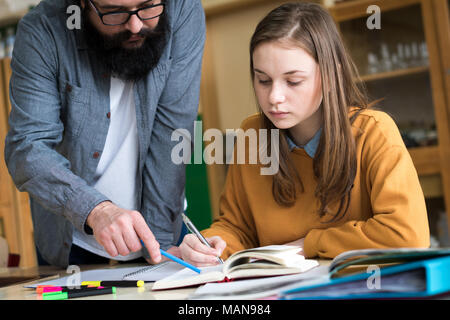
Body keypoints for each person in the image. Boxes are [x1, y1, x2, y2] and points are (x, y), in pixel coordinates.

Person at [179, 2, 430, 266]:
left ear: (332, 76)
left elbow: (407, 235)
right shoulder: (251, 136)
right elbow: (236, 228)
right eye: (263, 80)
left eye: (293, 81)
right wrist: (211, 243)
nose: (274, 97)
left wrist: (309, 244)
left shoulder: (374, 131)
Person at [4, 0, 205, 267]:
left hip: (162, 231)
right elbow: (27, 148)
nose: (135, 25)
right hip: (72, 242)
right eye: (114, 12)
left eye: (148, 6)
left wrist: (158, 245)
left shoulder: (182, 9)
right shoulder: (44, 30)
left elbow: (172, 132)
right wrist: (97, 211)